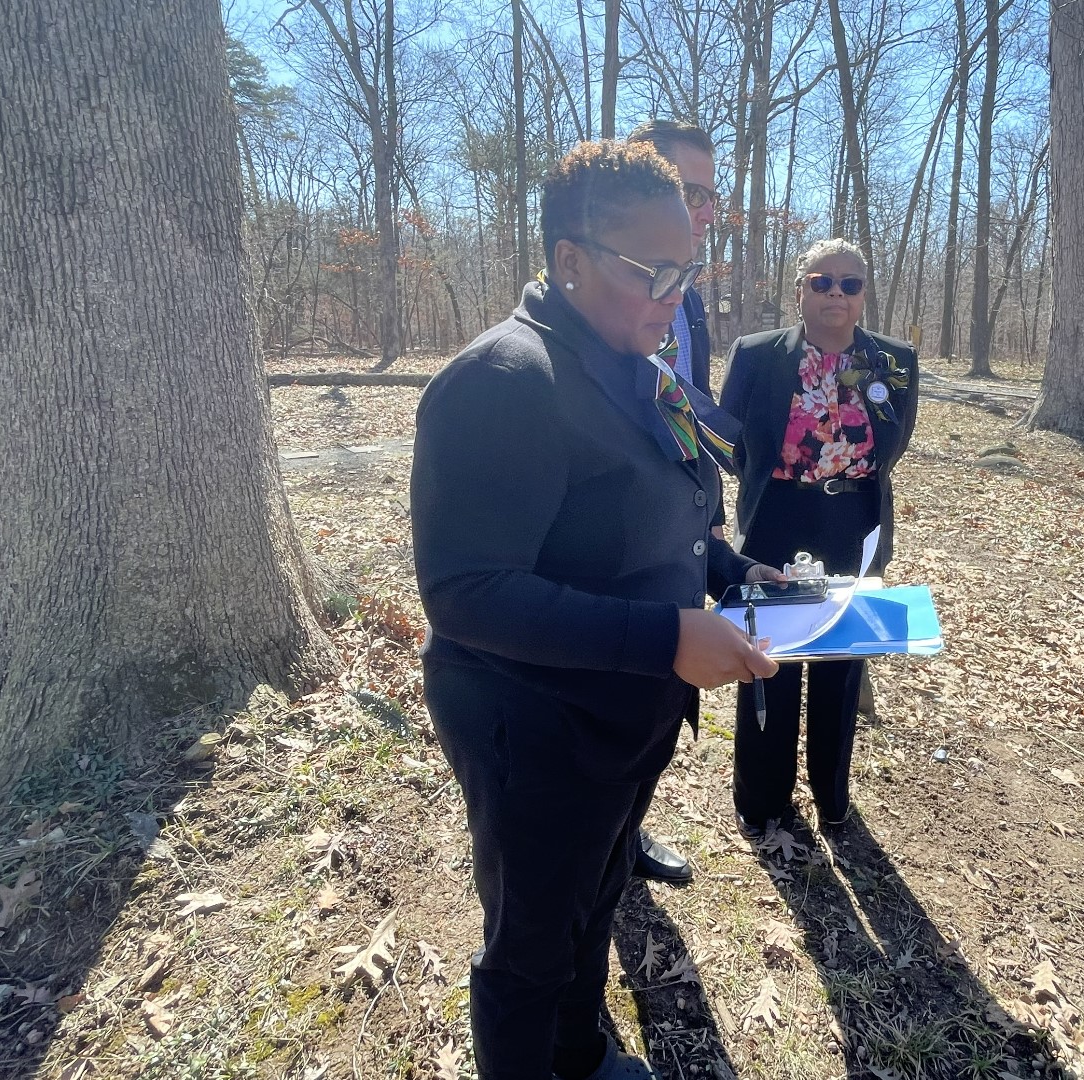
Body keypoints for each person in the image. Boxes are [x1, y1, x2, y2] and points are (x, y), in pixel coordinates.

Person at [411, 140, 780, 1080]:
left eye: (687, 266)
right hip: (532, 725)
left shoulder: (636, 365)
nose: (673, 290)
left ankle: (580, 1054)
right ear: (568, 260)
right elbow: (465, 593)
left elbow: (659, 524)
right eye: (648, 268)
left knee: (597, 894)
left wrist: (744, 578)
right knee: (531, 945)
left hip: (625, 712)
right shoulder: (506, 380)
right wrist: (667, 636)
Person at [718, 238, 919, 833]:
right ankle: (762, 801)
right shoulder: (757, 354)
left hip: (852, 524)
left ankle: (832, 796)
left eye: (850, 284)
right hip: (776, 522)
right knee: (766, 663)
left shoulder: (893, 361)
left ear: (863, 296)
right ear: (800, 289)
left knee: (841, 661)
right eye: (822, 281)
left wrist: (841, 479)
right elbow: (731, 441)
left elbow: (895, 443)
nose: (836, 292)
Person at [624, 118, 720, 886]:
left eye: (710, 196)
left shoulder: (688, 302)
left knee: (655, 716)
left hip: (680, 532)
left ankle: (627, 828)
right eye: (688, 190)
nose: (704, 209)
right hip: (616, 555)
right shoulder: (608, 288)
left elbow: (689, 400)